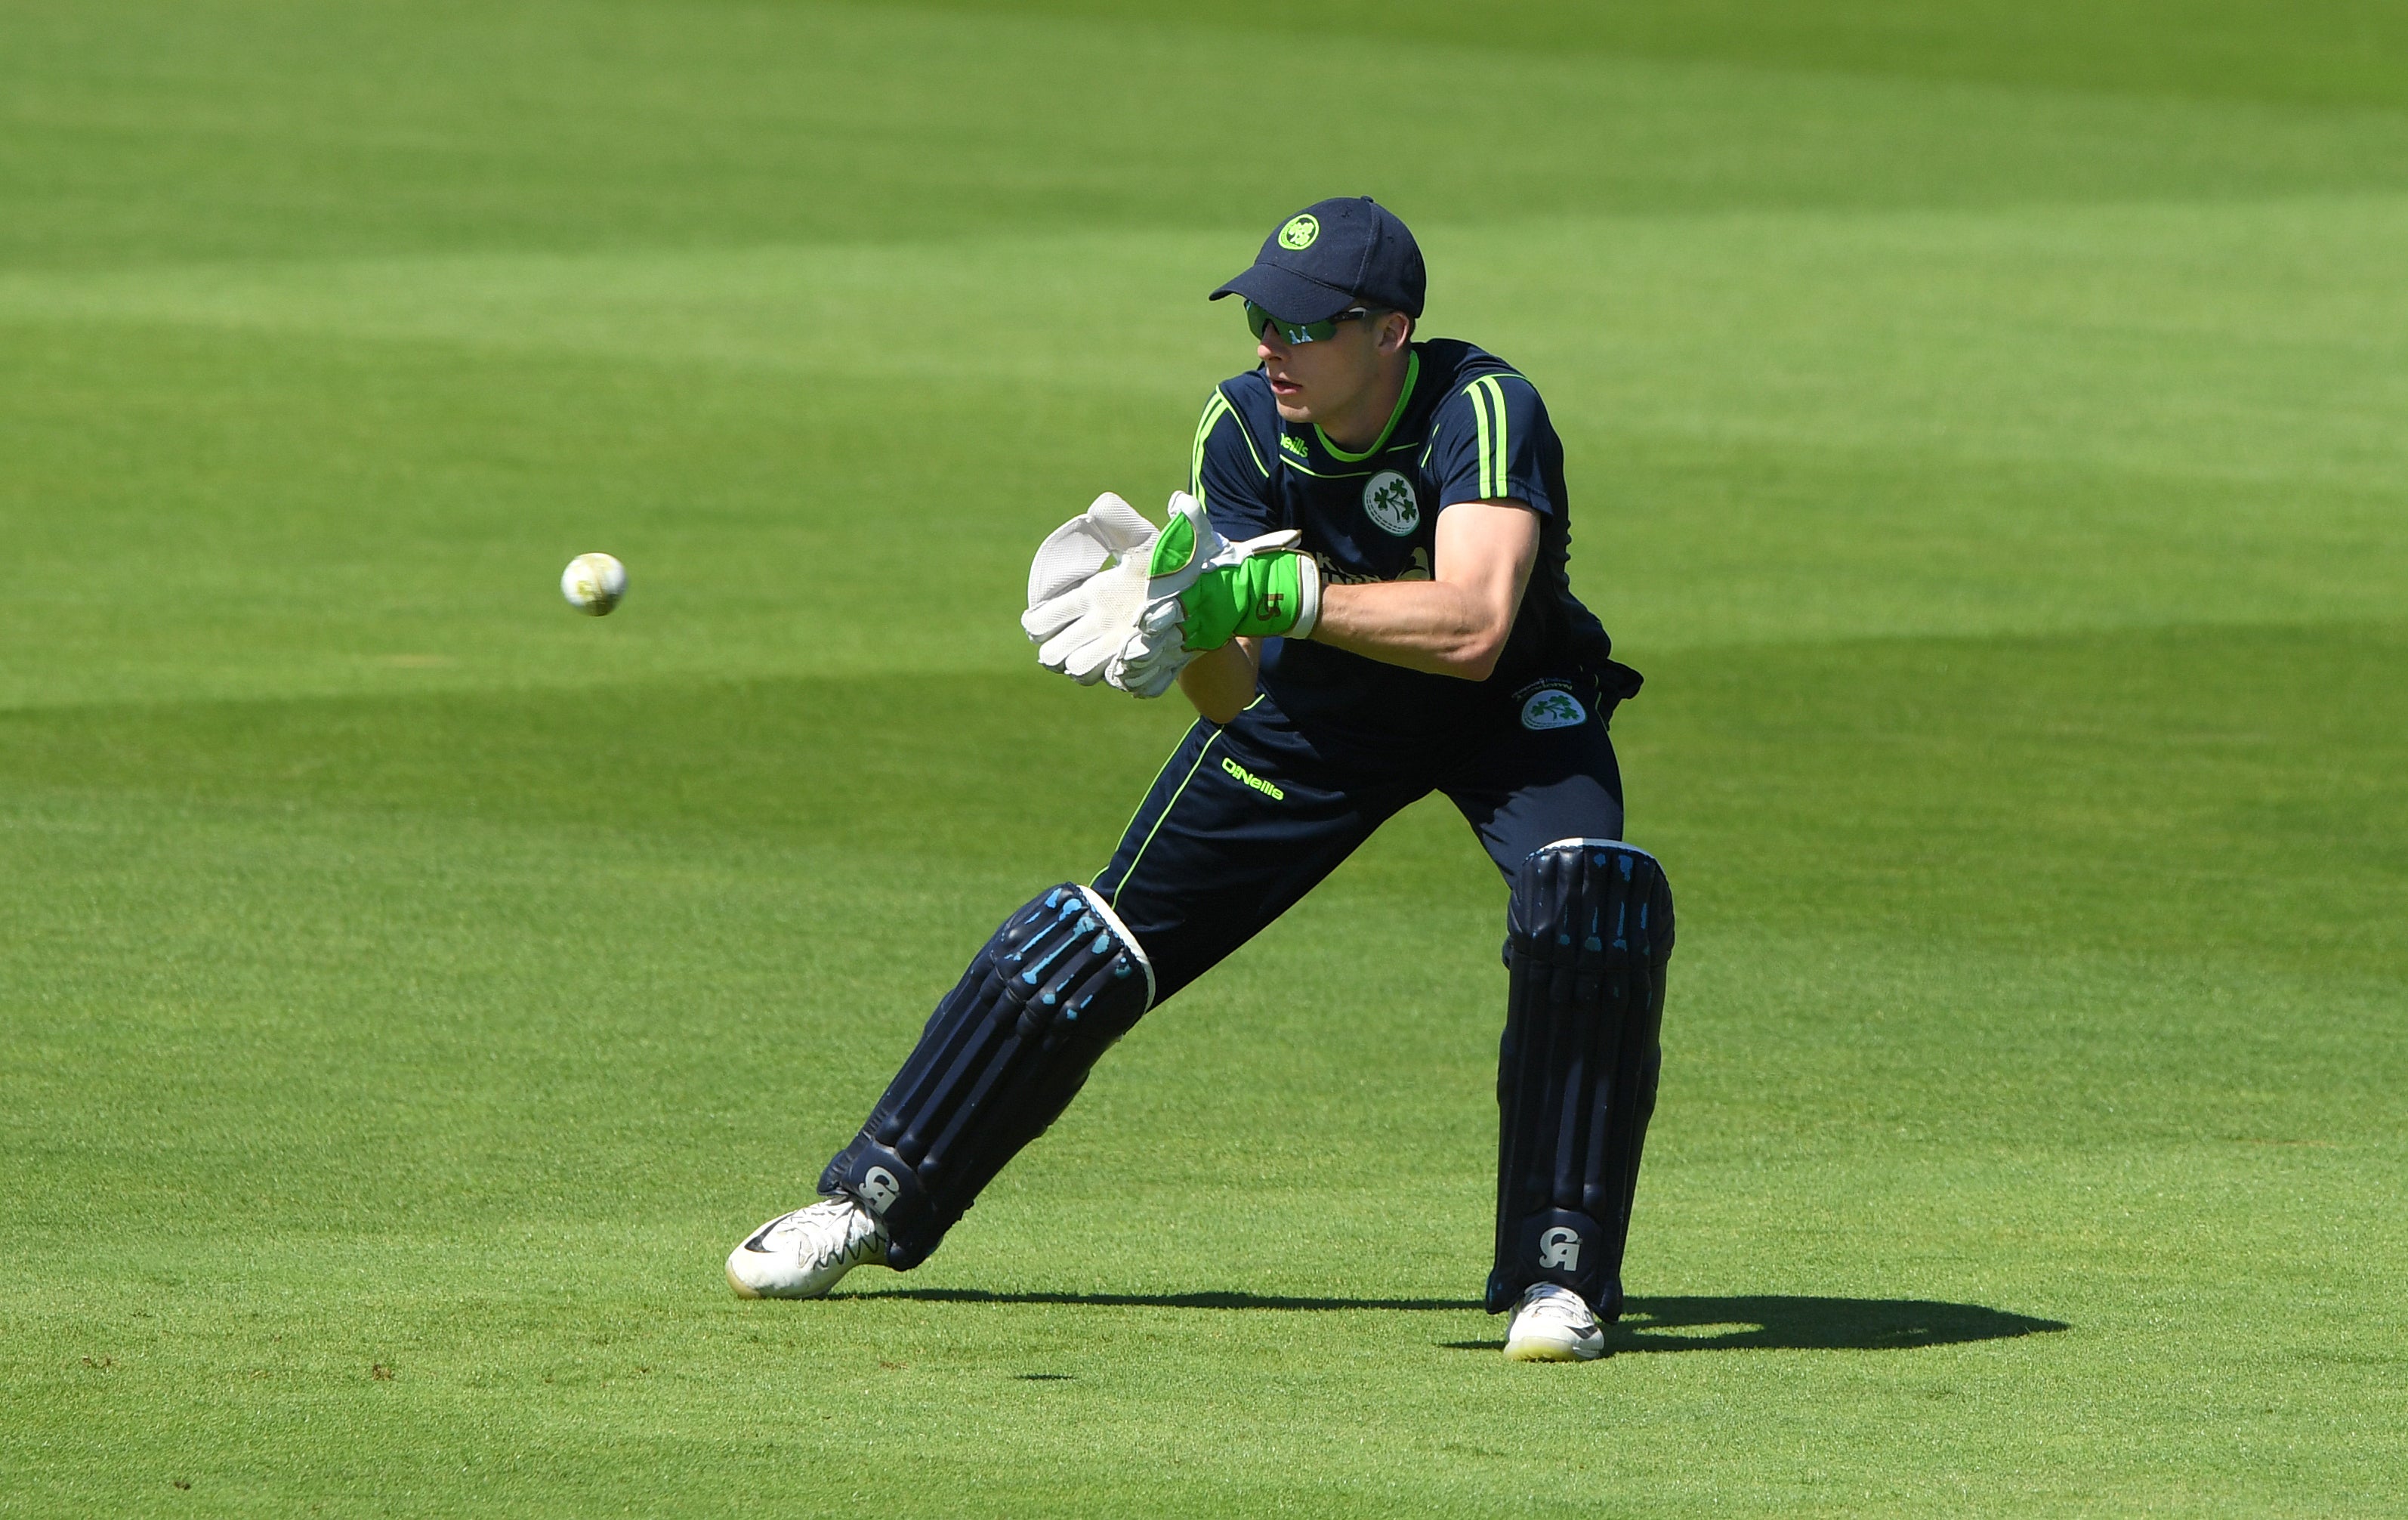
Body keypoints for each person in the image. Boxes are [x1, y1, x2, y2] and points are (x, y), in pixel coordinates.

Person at [726, 198, 1675, 1362]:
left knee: (1590, 905)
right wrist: (1176, 638)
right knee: (1097, 940)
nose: (1270, 346)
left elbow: (1477, 624)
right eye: (1261, 319)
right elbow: (1238, 700)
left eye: (1303, 326)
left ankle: (1558, 1273)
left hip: (1509, 711)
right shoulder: (1237, 429)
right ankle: (870, 1200)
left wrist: (1277, 597)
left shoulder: (1481, 407)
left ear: (1389, 333)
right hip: (1320, 726)